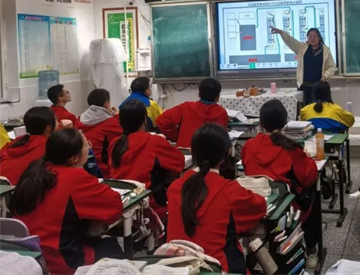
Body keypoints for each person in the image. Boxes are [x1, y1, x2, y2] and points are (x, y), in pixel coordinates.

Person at [11, 128, 123, 275]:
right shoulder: (75, 178)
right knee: (111, 246)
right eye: (86, 145)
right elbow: (114, 207)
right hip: (61, 261)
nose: (89, 148)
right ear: (74, 158)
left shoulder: (34, 171)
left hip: (30, 256)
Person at [167, 124, 266, 273]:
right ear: (227, 152)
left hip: (176, 269)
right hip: (217, 269)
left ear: (191, 150)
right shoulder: (229, 190)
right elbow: (259, 206)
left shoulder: (174, 187)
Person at [241, 99, 320, 268]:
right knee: (312, 194)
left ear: (261, 121)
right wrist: (307, 159)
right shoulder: (291, 148)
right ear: (285, 122)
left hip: (254, 204)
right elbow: (308, 176)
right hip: (285, 209)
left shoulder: (249, 146)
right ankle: (311, 250)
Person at [109, 99, 184, 219]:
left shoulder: (114, 143)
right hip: (151, 206)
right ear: (145, 119)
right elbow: (179, 163)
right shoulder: (155, 142)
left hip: (123, 204)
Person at [270, 26, 336, 104]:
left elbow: (332, 66)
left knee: (318, 108)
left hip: (318, 87)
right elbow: (291, 41)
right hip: (303, 87)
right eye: (310, 36)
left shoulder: (325, 51)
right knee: (303, 108)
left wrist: (325, 76)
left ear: (319, 37)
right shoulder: (302, 48)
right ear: (307, 37)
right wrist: (281, 32)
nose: (312, 38)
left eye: (315, 36)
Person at [156, 78, 229, 147]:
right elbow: (223, 137)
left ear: (199, 94)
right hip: (212, 153)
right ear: (218, 97)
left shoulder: (186, 107)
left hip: (186, 151)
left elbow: (161, 121)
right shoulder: (222, 113)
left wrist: (177, 136)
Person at [0, 107, 56, 184]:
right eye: (56, 120)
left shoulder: (17, 141)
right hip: (22, 189)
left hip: (4, 186)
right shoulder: (50, 146)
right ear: (49, 127)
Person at [80, 88, 123, 176]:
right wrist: (117, 116)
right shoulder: (111, 123)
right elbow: (126, 134)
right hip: (103, 170)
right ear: (106, 104)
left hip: (84, 167)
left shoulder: (80, 119)